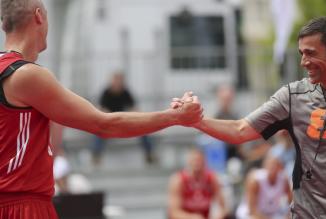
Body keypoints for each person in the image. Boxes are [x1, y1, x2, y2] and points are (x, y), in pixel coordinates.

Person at [0, 0, 202, 218]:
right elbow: (104, 124)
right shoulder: (26, 75)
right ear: (39, 16)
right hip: (20, 206)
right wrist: (175, 117)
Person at [172, 16, 326, 218]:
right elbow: (240, 129)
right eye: (301, 53)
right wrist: (195, 120)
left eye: (310, 53)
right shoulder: (293, 96)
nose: (303, 62)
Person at [92, 72, 157, 164]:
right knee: (98, 132)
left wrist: (140, 118)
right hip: (109, 121)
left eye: (120, 81)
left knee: (143, 129)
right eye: (116, 81)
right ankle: (96, 156)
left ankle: (149, 154)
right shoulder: (106, 93)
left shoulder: (125, 92)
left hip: (122, 120)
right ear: (112, 82)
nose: (118, 84)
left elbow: (134, 108)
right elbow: (101, 110)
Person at [168, 149, 229, 219]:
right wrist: (192, 217)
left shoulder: (212, 178)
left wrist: (219, 215)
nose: (197, 163)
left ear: (204, 162)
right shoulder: (178, 180)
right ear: (189, 161)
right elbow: (174, 212)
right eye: (194, 160)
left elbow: (224, 208)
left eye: (199, 160)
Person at [236, 151, 292, 219]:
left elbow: (291, 202)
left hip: (273, 214)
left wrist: (288, 215)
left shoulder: (284, 180)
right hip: (251, 214)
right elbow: (252, 209)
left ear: (280, 166)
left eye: (275, 164)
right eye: (270, 164)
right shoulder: (255, 180)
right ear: (265, 165)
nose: (273, 167)